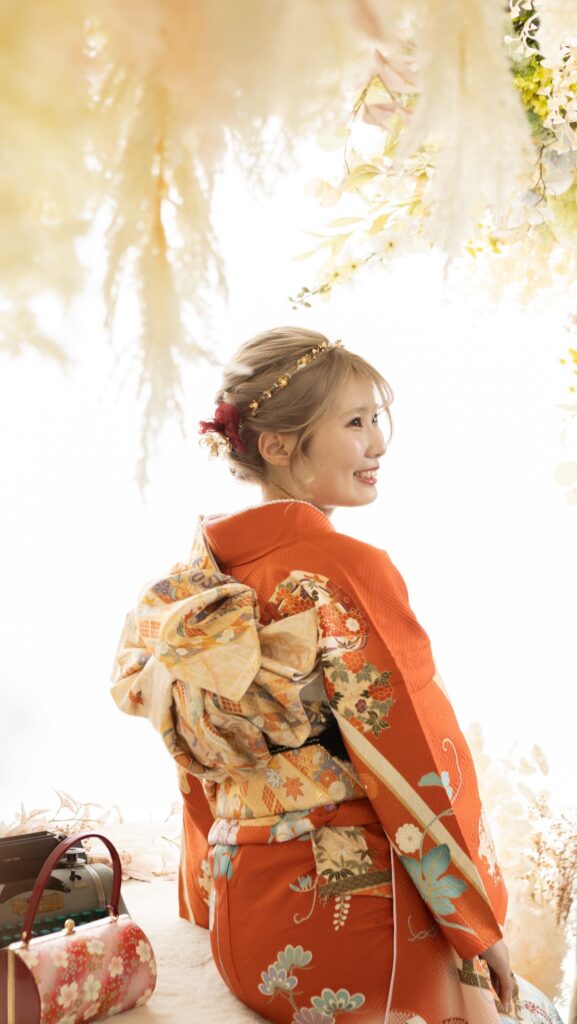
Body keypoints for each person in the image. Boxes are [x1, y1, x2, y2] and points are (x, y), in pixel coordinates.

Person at [111, 327, 564, 1024]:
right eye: (354, 423)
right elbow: (412, 754)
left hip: (245, 926)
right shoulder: (344, 569)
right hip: (352, 918)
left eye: (376, 418)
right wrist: (475, 925)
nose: (378, 443)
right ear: (276, 445)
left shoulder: (196, 579)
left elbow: (201, 762)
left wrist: (201, 901)